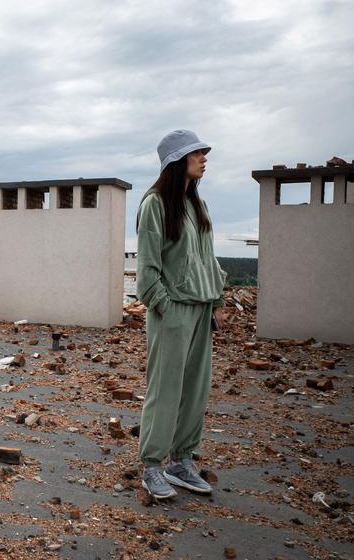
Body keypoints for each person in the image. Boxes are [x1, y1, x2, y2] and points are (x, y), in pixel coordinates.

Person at [135, 130, 228, 500]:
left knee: (194, 390)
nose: (204, 158)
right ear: (177, 160)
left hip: (202, 309)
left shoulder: (197, 205)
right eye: (197, 153)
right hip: (171, 311)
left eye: (204, 152)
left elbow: (207, 257)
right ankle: (153, 466)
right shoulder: (155, 204)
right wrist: (162, 305)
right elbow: (147, 267)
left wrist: (217, 298)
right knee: (165, 389)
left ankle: (180, 462)